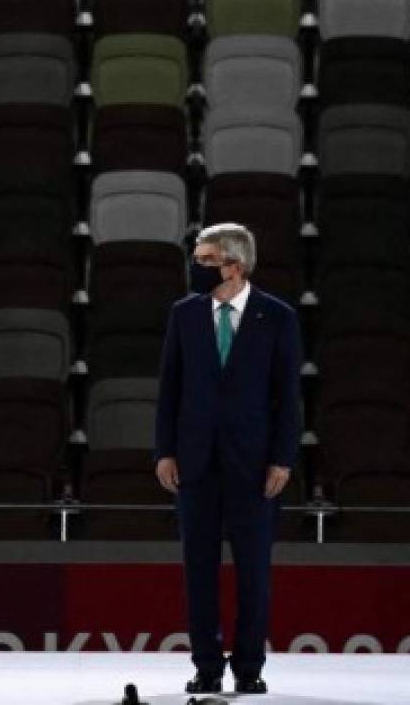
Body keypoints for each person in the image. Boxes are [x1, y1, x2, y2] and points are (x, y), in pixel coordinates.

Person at [154, 223, 301, 696]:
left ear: (234, 265)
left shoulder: (276, 317)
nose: (195, 269)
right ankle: (207, 668)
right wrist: (165, 451)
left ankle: (250, 668)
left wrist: (282, 458)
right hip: (195, 462)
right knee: (199, 571)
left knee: (253, 572)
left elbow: (287, 396)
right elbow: (169, 389)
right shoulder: (184, 314)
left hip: (256, 467)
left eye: (205, 261)